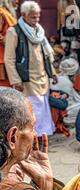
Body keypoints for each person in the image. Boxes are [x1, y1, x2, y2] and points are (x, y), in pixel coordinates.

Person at [4, 1, 57, 138]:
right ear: (23, 15)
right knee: (30, 110)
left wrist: (53, 73)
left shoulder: (39, 31)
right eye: (33, 17)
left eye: (38, 17)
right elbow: (9, 58)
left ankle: (42, 136)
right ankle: (31, 138)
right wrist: (16, 80)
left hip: (42, 78)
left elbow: (45, 55)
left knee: (43, 109)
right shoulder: (14, 31)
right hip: (26, 80)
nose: (36, 20)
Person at [51, 58, 80, 127]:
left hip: (59, 107)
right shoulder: (66, 82)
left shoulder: (58, 77)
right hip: (63, 110)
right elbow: (68, 102)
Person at [0, 0, 18, 86]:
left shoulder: (7, 13)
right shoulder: (1, 13)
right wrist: (6, 40)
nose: (17, 1)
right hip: (2, 57)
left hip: (9, 55)